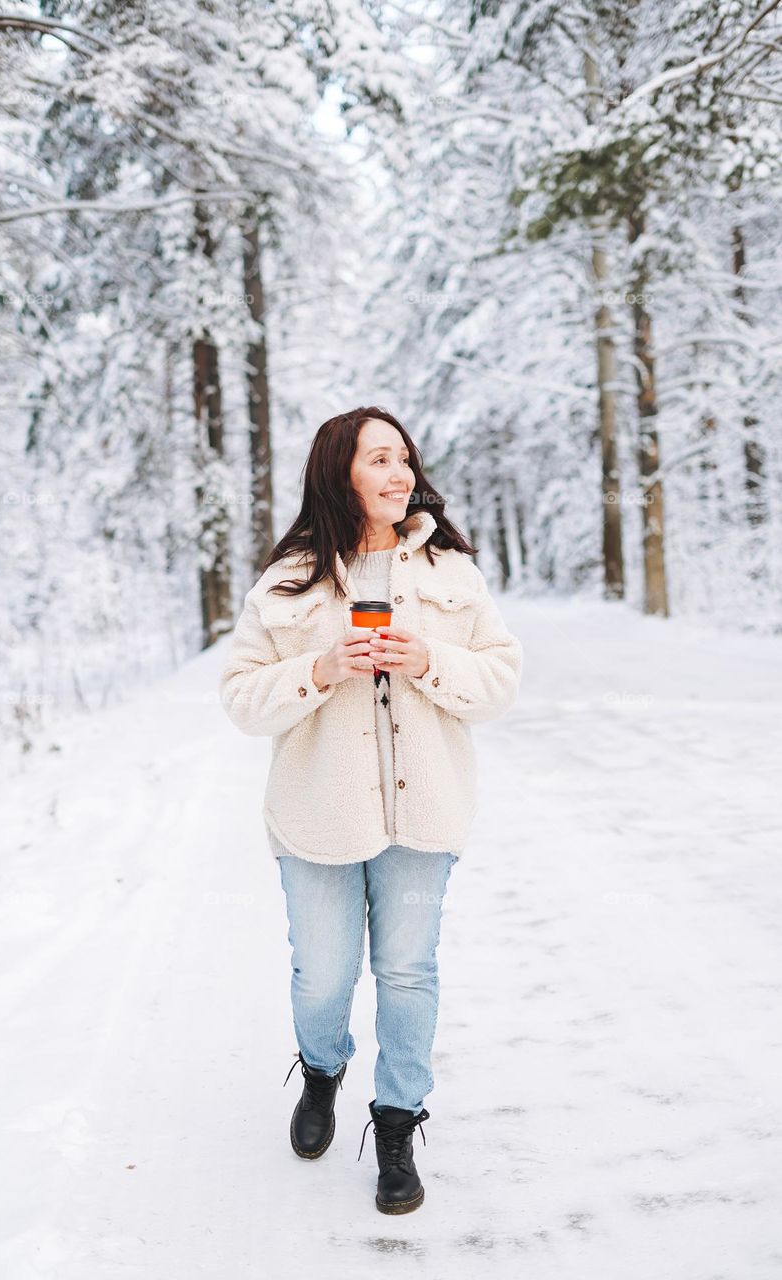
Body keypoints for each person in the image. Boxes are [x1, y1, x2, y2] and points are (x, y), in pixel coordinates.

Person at [219, 406, 523, 1214]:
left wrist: (429, 659)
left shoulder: (452, 573)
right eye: (378, 459)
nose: (399, 474)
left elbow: (499, 681)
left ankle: (395, 1121)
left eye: (404, 459)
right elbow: (242, 701)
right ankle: (322, 1071)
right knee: (322, 977)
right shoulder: (287, 580)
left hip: (423, 815)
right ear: (339, 473)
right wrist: (317, 670)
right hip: (315, 816)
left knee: (407, 970)